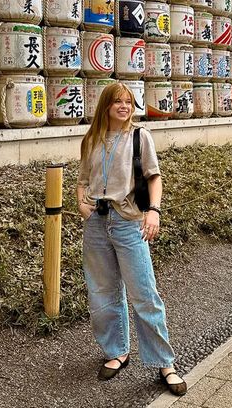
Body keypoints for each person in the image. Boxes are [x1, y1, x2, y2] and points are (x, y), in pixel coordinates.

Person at [76, 82, 187, 396]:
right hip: (97, 224)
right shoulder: (92, 139)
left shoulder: (140, 136)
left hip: (129, 223)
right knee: (102, 291)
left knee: (144, 293)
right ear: (106, 106)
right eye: (117, 102)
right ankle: (117, 352)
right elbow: (82, 181)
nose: (124, 107)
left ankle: (164, 362)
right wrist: (82, 205)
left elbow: (154, 176)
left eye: (128, 102)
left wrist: (154, 211)